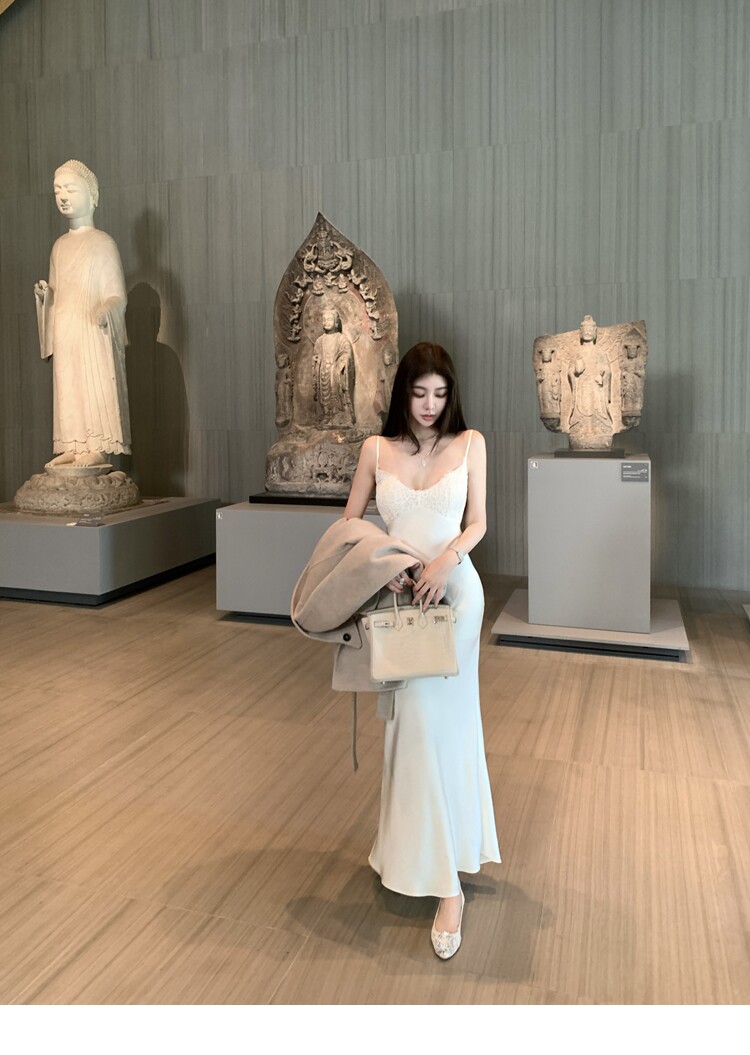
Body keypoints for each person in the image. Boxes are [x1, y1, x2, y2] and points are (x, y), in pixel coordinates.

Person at [343, 341, 501, 959]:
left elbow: (478, 522)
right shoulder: (375, 449)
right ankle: (413, 853)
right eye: (419, 393)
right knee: (411, 728)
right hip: (402, 601)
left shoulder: (471, 443)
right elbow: (350, 526)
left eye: (440, 393)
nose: (430, 405)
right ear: (402, 393)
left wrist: (445, 560)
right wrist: (382, 566)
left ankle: (448, 888)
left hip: (455, 596)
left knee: (446, 727)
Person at [34, 159, 131, 465]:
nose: (62, 196)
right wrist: (45, 297)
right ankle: (72, 445)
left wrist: (106, 310)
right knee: (68, 386)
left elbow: (117, 295)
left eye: (70, 189)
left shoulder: (103, 243)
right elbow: (56, 290)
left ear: (92, 195)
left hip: (92, 330)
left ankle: (97, 447)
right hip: (66, 329)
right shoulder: (59, 246)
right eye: (57, 191)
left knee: (93, 386)